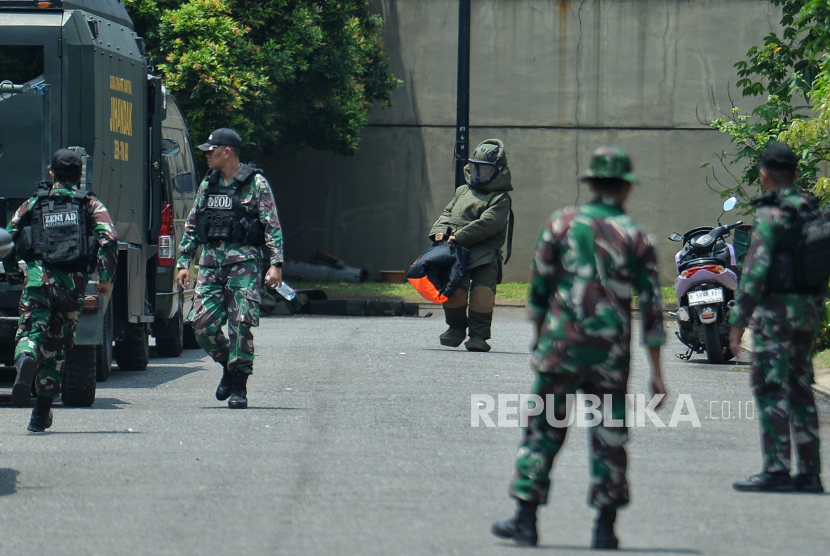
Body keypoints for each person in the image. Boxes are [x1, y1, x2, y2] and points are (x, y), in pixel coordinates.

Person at [491, 147, 666, 548]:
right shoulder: (637, 236)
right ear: (624, 188)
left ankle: (525, 519)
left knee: (542, 431)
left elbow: (538, 290)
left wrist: (539, 341)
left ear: (591, 184)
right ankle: (605, 529)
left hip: (560, 347)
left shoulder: (561, 223)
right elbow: (653, 308)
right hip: (610, 355)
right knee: (610, 437)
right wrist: (657, 373)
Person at [729, 142, 824, 493]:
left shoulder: (770, 215)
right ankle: (810, 473)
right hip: (808, 312)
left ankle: (777, 470)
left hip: (776, 315)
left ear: (763, 174)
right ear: (797, 175)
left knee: (770, 387)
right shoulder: (811, 211)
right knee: (800, 387)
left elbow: (755, 271)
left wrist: (738, 321)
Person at [4, 149, 117, 432]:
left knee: (30, 333)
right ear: (80, 175)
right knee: (55, 350)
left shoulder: (34, 203)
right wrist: (105, 277)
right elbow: (109, 238)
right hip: (72, 287)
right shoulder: (88, 203)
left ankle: (26, 357)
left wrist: (15, 274)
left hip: (38, 282)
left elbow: (7, 237)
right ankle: (40, 414)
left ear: (51, 173)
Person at [176, 128, 283, 409]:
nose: (207, 155)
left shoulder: (256, 184)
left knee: (240, 325)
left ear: (227, 152)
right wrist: (183, 262)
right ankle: (228, 365)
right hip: (210, 263)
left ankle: (239, 386)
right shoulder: (208, 185)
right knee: (201, 326)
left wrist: (276, 264)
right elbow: (192, 224)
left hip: (244, 265)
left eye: (211, 150)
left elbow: (272, 226)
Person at [429, 139, 513, 352]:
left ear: (498, 171)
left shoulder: (500, 197)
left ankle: (478, 336)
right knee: (454, 290)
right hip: (456, 252)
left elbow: (489, 223)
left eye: (485, 169)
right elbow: (448, 213)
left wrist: (460, 236)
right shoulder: (462, 191)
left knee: (482, 295)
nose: (480, 173)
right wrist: (439, 231)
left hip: (484, 255)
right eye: (477, 168)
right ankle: (455, 329)